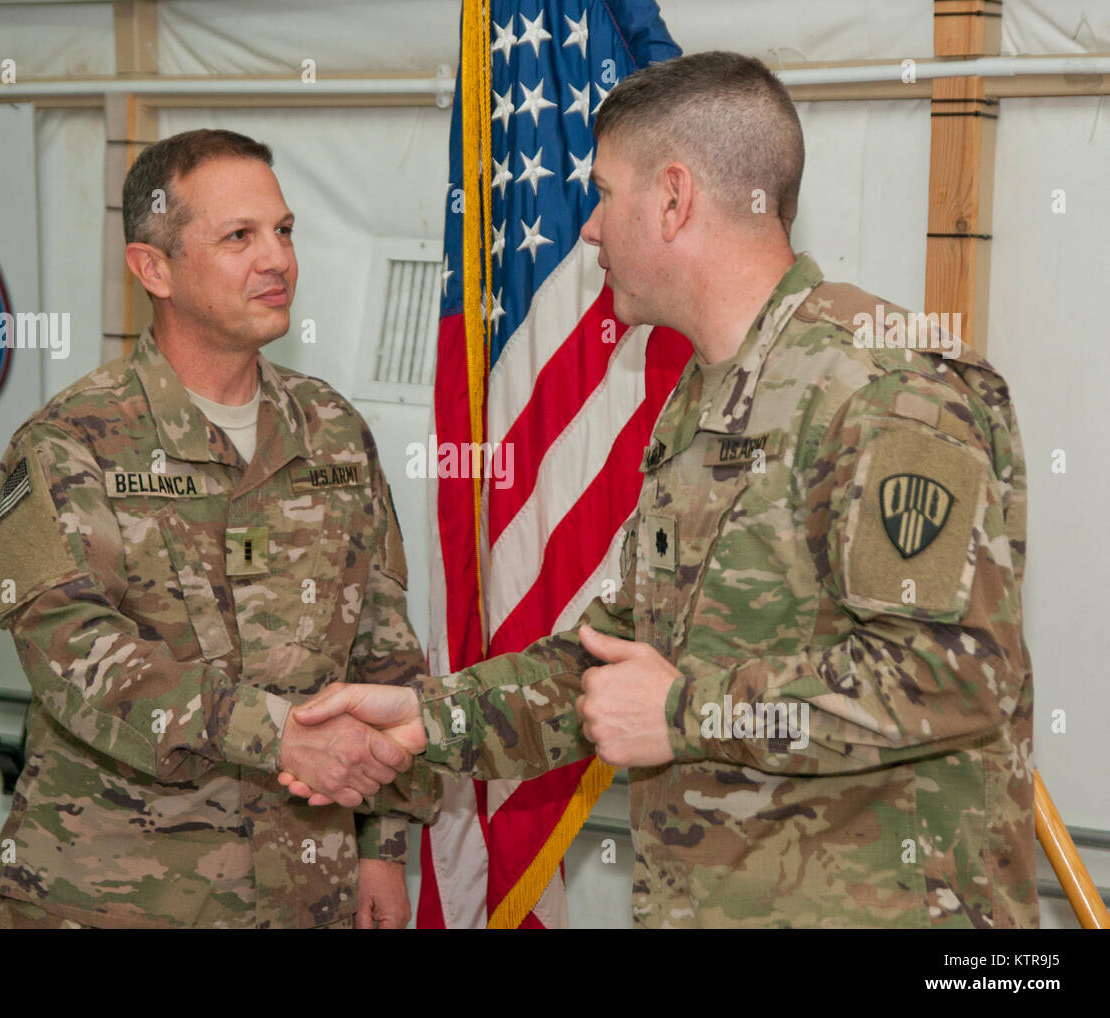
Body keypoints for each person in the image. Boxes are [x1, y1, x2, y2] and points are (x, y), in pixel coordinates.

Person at [281, 52, 1037, 929]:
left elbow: (948, 676)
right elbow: (612, 658)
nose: (591, 229)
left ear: (673, 198)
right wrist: (424, 717)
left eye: (603, 193)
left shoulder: (884, 387)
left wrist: (683, 712)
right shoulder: (699, 399)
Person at [0, 129, 435, 929]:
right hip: (119, 899)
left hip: (306, 893)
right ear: (154, 268)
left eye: (284, 231)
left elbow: (383, 649)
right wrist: (274, 733)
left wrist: (381, 848)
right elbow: (74, 655)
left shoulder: (331, 431)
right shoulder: (69, 443)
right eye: (239, 237)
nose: (278, 260)